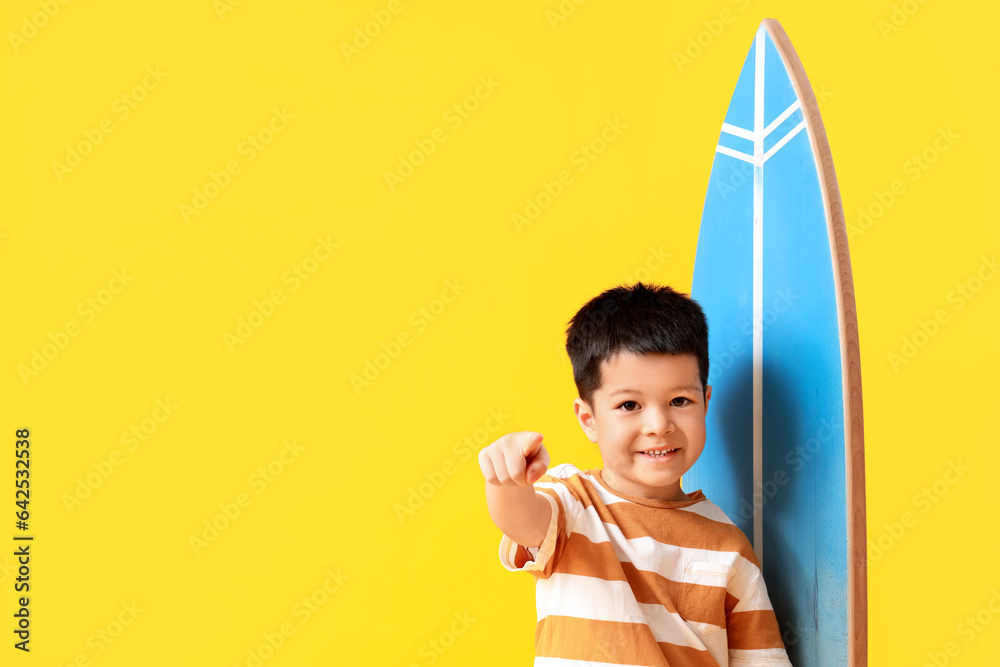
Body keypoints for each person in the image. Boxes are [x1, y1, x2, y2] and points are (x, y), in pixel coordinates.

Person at [478, 282, 791, 666]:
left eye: (680, 401)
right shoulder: (572, 503)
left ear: (706, 403)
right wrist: (506, 479)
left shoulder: (730, 548)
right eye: (629, 405)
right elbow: (522, 522)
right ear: (589, 420)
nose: (659, 424)